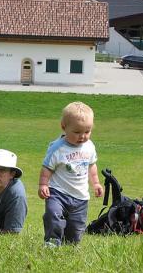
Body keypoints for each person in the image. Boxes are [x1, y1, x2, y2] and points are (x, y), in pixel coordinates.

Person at [38, 101, 104, 246]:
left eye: (87, 132)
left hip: (80, 197)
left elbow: (91, 165)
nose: (82, 136)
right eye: (77, 132)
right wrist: (43, 184)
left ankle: (70, 244)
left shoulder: (89, 146)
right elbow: (47, 168)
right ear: (64, 127)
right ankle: (52, 241)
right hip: (58, 193)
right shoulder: (57, 148)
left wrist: (96, 183)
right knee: (53, 215)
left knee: (76, 230)